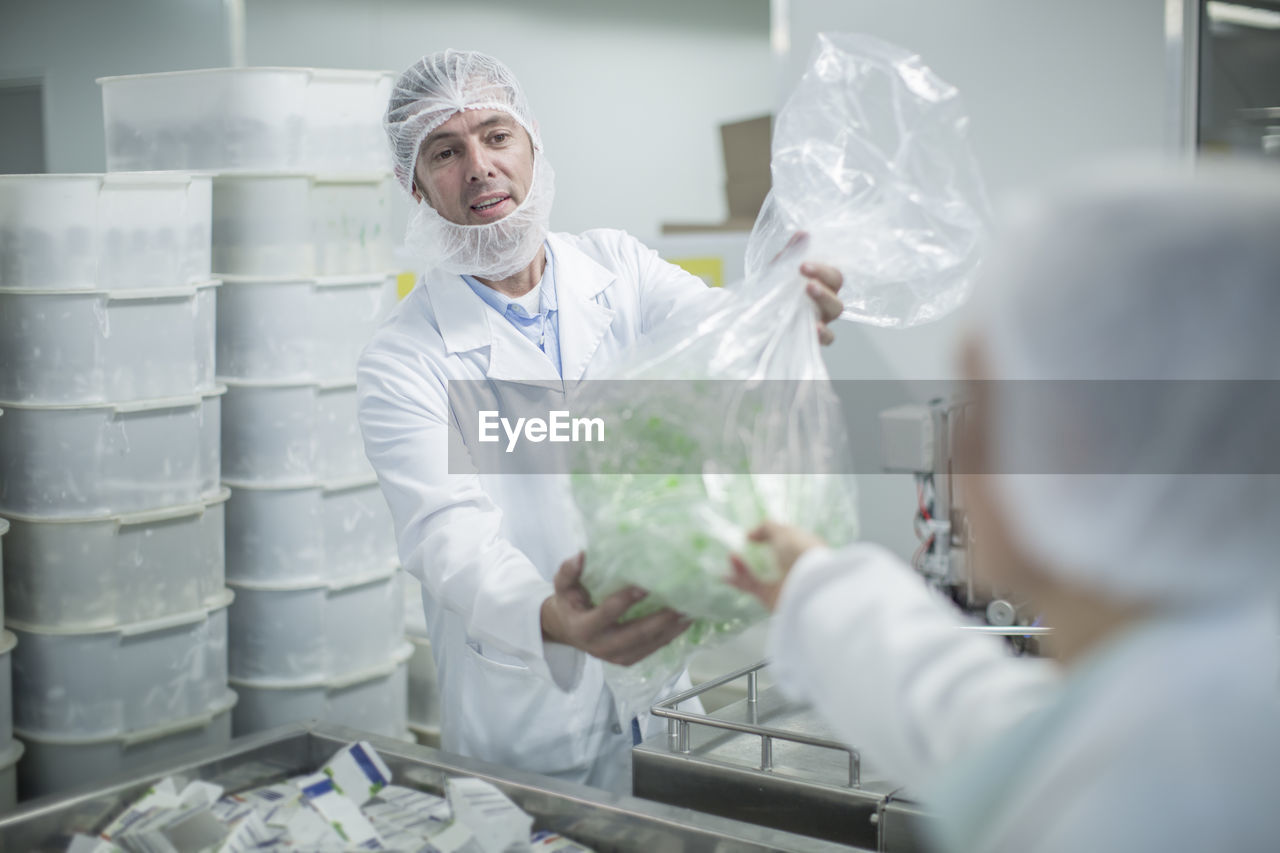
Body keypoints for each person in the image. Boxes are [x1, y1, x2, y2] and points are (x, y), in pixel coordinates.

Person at [729, 162, 1280, 852]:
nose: (957, 439)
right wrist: (809, 581)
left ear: (1074, 451)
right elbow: (987, 725)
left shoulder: (1157, 808)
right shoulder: (1204, 708)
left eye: (982, 404)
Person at [357, 49, 845, 793]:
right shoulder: (405, 357)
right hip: (528, 705)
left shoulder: (617, 270)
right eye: (446, 151)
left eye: (496, 135)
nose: (481, 166)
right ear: (413, 184)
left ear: (532, 142)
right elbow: (445, 534)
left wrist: (786, 310)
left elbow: (726, 339)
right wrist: (550, 614)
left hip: (664, 693)